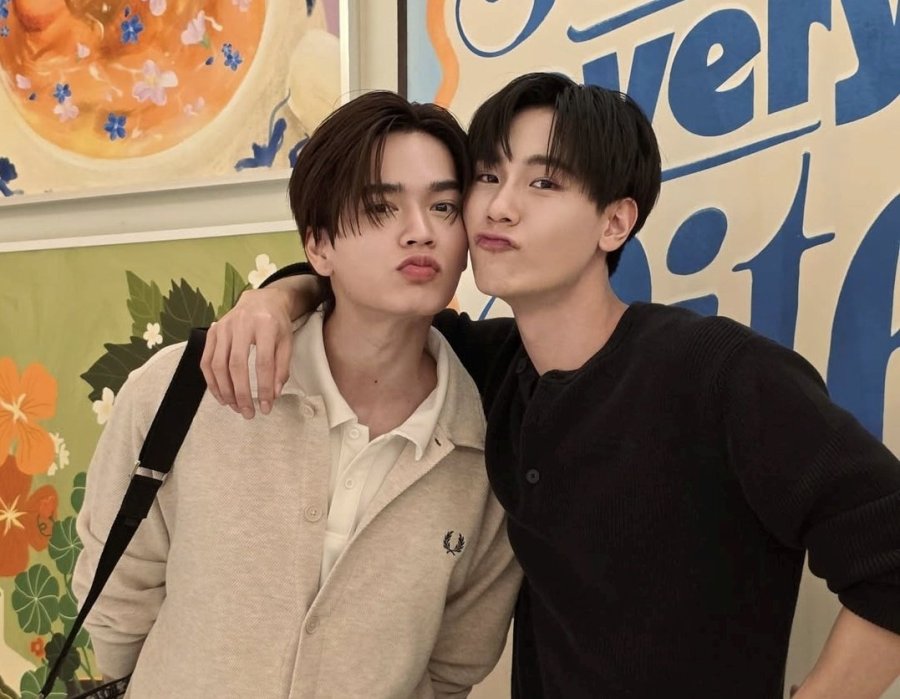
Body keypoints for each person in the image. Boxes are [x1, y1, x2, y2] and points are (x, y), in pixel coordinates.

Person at [202, 73, 900, 698]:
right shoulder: (486, 368)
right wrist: (276, 299)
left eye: (543, 183)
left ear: (614, 221)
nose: (498, 208)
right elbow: (364, 296)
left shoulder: (717, 373)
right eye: (487, 176)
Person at [73, 90, 521, 698]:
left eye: (443, 206)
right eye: (381, 207)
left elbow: (455, 661)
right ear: (318, 246)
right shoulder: (186, 389)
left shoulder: (483, 452)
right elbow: (119, 604)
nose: (421, 232)